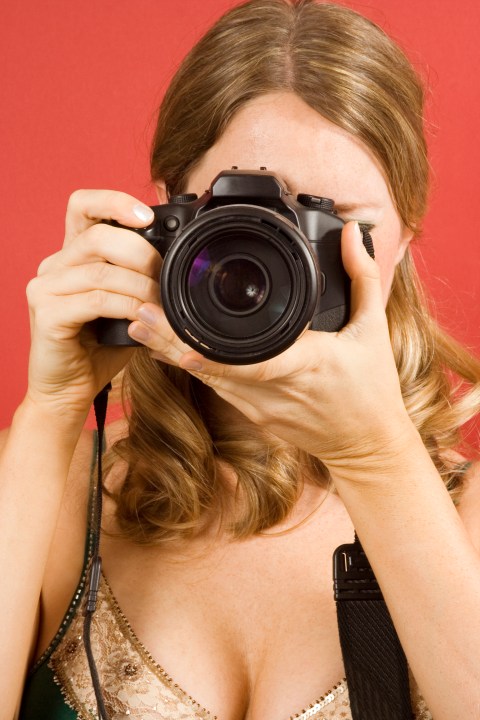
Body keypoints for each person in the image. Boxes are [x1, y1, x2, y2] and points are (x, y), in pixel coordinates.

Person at [1, 0, 480, 718]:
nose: (283, 258)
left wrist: (375, 461)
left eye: (334, 221)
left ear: (403, 239)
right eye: (248, 220)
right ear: (165, 214)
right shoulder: (58, 486)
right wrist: (51, 412)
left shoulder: (466, 512)